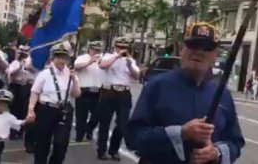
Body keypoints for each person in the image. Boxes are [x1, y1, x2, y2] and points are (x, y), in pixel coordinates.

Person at [125, 22, 245, 164]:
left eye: (206, 48)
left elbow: (235, 141)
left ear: (214, 56)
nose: (198, 52)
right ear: (182, 50)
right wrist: (181, 133)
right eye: (193, 45)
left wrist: (216, 152)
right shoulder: (157, 86)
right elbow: (133, 138)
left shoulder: (222, 94)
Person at [26, 42, 81, 164]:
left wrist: (74, 80)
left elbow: (76, 94)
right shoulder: (44, 74)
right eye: (59, 57)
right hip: (46, 110)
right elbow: (35, 92)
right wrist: (31, 110)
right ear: (53, 58)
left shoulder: (70, 74)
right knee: (42, 143)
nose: (62, 60)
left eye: (64, 57)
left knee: (61, 144)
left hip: (64, 111)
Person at [97, 37, 140, 161]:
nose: (122, 50)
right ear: (115, 47)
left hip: (124, 93)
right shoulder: (108, 56)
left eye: (124, 48)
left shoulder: (130, 60)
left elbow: (137, 76)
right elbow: (102, 66)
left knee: (123, 124)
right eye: (119, 47)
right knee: (104, 123)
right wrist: (116, 57)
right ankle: (101, 150)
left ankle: (114, 150)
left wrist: (129, 64)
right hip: (108, 91)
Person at [6, 45, 37, 147]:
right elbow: (10, 73)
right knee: (14, 110)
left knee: (24, 110)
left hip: (26, 87)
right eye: (21, 52)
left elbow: (33, 72)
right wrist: (19, 64)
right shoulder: (15, 62)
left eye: (25, 52)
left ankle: (21, 131)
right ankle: (13, 132)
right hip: (16, 87)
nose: (23, 54)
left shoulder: (31, 62)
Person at [74, 41, 103, 142]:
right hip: (84, 91)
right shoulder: (82, 58)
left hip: (97, 91)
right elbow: (76, 66)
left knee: (98, 114)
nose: (97, 52)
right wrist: (90, 62)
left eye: (99, 50)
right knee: (81, 115)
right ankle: (79, 135)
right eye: (95, 50)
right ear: (89, 49)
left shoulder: (102, 59)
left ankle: (89, 128)